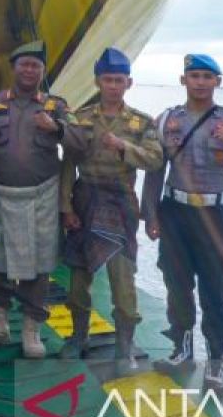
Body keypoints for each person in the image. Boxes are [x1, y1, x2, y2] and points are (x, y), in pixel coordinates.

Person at [142, 53, 223, 394]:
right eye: (194, 75)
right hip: (175, 211)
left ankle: (216, 363)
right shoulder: (166, 120)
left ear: (218, 81)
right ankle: (182, 351)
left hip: (216, 215)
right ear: (183, 80)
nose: (200, 82)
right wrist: (150, 215)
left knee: (215, 290)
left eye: (207, 76)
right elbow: (155, 170)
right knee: (176, 283)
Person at [59, 48, 163, 371]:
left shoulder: (142, 122)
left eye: (119, 80)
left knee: (123, 279)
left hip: (120, 205)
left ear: (129, 83)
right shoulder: (82, 117)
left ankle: (124, 345)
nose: (113, 86)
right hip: (85, 199)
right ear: (98, 81)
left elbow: (156, 159)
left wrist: (124, 148)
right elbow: (68, 164)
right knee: (79, 276)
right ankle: (78, 336)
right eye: (108, 80)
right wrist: (65, 206)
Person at [0, 39, 70, 359]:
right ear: (13, 68)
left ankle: (31, 328)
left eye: (36, 65)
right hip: (0, 193)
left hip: (42, 194)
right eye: (24, 64)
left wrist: (56, 128)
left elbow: (80, 145)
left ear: (43, 71)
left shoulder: (55, 105)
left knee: (40, 265)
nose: (30, 70)